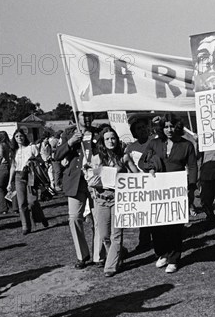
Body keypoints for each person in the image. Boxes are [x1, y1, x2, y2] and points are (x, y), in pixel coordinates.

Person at [139, 114, 198, 274]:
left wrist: (191, 186)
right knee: (157, 224)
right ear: (161, 128)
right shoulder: (154, 143)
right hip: (157, 188)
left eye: (172, 126)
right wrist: (150, 167)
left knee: (174, 225)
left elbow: (192, 167)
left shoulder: (186, 145)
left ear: (177, 126)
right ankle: (162, 253)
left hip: (177, 189)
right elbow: (142, 161)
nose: (169, 129)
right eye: (166, 126)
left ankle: (174, 258)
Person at [85, 127, 138, 277]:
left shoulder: (124, 157)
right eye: (107, 138)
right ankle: (117, 255)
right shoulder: (96, 159)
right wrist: (92, 181)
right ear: (102, 141)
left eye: (113, 138)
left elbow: (137, 176)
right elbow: (90, 178)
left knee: (116, 234)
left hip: (118, 200)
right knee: (104, 236)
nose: (110, 141)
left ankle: (110, 266)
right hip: (101, 201)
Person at [54, 112, 103, 269]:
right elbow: (57, 155)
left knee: (98, 218)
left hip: (95, 181)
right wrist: (70, 142)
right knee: (74, 218)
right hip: (75, 181)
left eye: (90, 115)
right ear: (77, 117)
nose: (87, 119)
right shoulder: (69, 133)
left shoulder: (99, 133)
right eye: (83, 116)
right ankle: (82, 255)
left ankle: (99, 255)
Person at [7, 129, 48, 235]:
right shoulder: (14, 151)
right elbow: (12, 166)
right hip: (18, 176)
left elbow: (41, 160)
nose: (19, 138)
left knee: (32, 201)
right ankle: (25, 226)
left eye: (21, 136)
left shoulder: (31, 148)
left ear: (24, 137)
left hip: (31, 175)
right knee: (21, 203)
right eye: (17, 136)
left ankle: (40, 217)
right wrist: (9, 182)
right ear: (14, 139)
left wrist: (33, 160)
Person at [125, 116, 154, 253]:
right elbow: (128, 165)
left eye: (144, 127)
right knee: (143, 214)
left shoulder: (155, 142)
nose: (142, 130)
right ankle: (144, 241)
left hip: (155, 180)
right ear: (134, 132)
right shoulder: (130, 148)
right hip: (140, 183)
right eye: (138, 129)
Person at [0, 131, 13, 215]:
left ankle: (3, 208)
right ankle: (13, 205)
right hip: (8, 166)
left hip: (2, 166)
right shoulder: (8, 145)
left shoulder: (0, 145)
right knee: (6, 187)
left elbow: (0, 156)